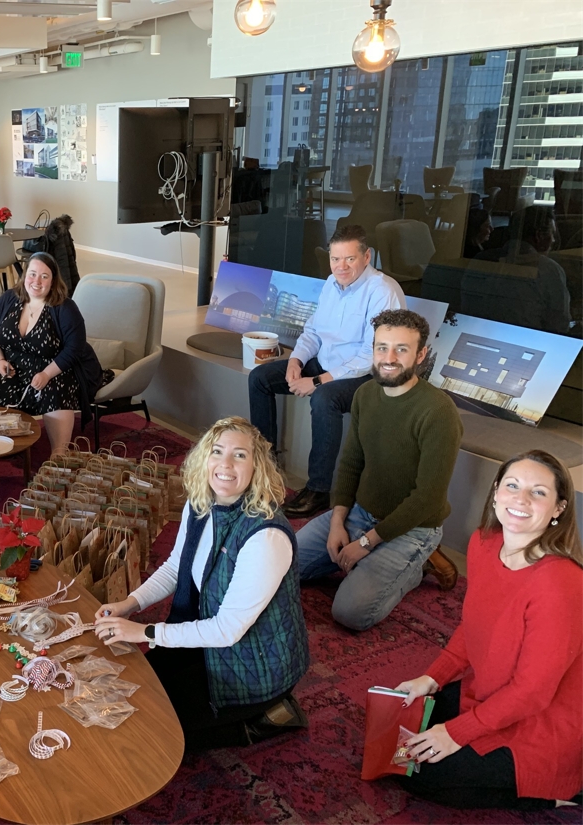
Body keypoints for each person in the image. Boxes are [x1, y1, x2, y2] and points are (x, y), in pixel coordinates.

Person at [93, 417, 310, 750]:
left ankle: (267, 716)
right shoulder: (200, 503)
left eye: (240, 455)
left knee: (161, 734)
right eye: (217, 451)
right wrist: (129, 604)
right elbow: (175, 567)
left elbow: (228, 630)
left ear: (257, 468)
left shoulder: (266, 535)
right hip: (206, 637)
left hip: (252, 659)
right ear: (203, 458)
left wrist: (145, 632)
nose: (225, 463)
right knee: (136, 695)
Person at [394, 450, 582, 811]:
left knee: (418, 772)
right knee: (398, 738)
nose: (521, 499)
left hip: (544, 720)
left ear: (559, 508)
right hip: (491, 690)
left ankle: (555, 793)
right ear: (496, 492)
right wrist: (431, 678)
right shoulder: (484, 542)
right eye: (512, 485)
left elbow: (533, 694)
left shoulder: (561, 584)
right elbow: (474, 626)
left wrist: (455, 733)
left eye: (538, 492)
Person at [297, 309, 463, 631]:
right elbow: (350, 463)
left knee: (350, 613)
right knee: (281, 564)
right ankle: (370, 561)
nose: (389, 357)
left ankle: (417, 567)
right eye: (381, 347)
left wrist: (366, 543)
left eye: (401, 349)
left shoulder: (439, 412)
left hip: (414, 527)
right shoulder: (365, 394)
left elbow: (427, 499)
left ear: (420, 355)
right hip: (361, 512)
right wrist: (337, 522)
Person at [248, 224, 405, 519]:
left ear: (367, 257)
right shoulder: (331, 285)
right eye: (335, 259)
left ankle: (319, 490)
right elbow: (313, 333)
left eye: (349, 259)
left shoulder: (383, 292)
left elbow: (372, 355)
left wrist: (318, 381)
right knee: (260, 378)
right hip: (327, 362)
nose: (341, 267)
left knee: (324, 399)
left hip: (367, 376)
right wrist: (295, 361)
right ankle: (264, 465)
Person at [0, 252, 107, 456]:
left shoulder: (65, 308)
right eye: (32, 274)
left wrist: (47, 374)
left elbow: (74, 349)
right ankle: (5, 444)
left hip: (58, 367)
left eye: (44, 276)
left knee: (54, 388)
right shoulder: (8, 298)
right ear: (24, 276)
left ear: (53, 280)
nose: (36, 281)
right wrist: (0, 360)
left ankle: (59, 453)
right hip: (15, 365)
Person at [465, 205, 573, 335]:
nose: (554, 240)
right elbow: (559, 326)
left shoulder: (480, 260)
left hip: (474, 334)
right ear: (538, 235)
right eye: (552, 234)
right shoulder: (549, 270)